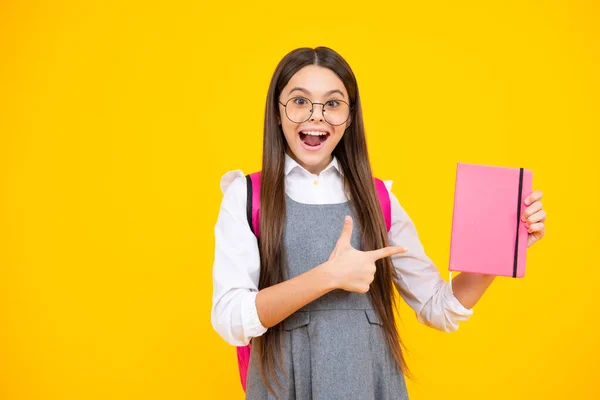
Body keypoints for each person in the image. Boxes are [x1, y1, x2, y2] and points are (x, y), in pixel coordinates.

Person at [210, 46, 547, 399]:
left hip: (369, 384)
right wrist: (329, 276)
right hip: (286, 385)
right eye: (299, 101)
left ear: (350, 116)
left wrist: (503, 246)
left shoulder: (378, 198)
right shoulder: (246, 195)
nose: (316, 116)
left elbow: (438, 308)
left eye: (333, 104)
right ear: (277, 113)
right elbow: (231, 319)